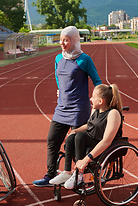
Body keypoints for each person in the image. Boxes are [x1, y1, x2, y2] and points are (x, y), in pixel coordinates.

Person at [33, 26, 102, 187]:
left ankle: (79, 175)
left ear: (74, 40)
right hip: (61, 108)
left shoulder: (84, 60)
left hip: (79, 108)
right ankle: (50, 174)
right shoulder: (58, 58)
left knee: (75, 143)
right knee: (52, 140)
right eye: (61, 39)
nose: (62, 43)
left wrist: (97, 98)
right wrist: (60, 90)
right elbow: (58, 77)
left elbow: (97, 81)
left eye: (66, 40)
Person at [49, 84, 123, 189]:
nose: (91, 99)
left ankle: (79, 174)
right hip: (92, 138)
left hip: (103, 143)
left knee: (80, 137)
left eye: (93, 97)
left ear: (101, 101)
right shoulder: (96, 110)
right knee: (72, 137)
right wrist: (75, 130)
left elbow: (106, 141)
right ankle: (67, 172)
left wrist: (85, 160)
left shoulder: (113, 114)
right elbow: (90, 125)